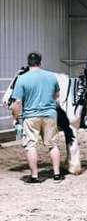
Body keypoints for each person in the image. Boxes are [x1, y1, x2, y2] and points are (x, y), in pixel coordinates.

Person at [10, 52, 63, 183]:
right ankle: (57, 175)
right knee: (53, 145)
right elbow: (57, 95)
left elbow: (16, 103)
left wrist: (16, 118)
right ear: (40, 62)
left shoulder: (22, 79)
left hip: (31, 116)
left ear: (28, 63)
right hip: (50, 115)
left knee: (31, 146)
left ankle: (34, 176)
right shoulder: (51, 76)